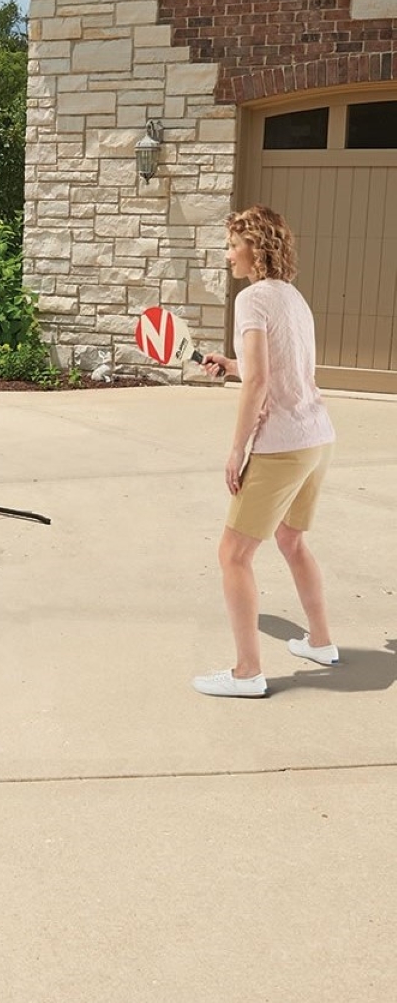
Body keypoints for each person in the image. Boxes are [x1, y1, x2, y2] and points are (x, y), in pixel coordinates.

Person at [192, 204, 337, 698]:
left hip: (281, 446)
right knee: (292, 540)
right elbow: (274, 369)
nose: (228, 253)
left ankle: (247, 673)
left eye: (234, 244)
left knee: (233, 554)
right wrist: (228, 364)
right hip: (316, 437)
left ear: (256, 248)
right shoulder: (293, 298)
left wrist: (237, 451)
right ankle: (320, 642)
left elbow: (258, 382)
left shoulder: (252, 300)